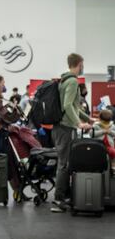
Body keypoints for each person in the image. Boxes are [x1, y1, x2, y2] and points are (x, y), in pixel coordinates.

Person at [51, 53, 94, 213]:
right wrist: (79, 123)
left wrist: (88, 119)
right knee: (63, 164)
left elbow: (74, 107)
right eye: (82, 64)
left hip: (61, 127)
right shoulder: (73, 82)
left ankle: (64, 196)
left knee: (66, 163)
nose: (83, 67)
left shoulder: (64, 80)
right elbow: (68, 105)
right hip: (65, 128)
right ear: (79, 64)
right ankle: (58, 200)